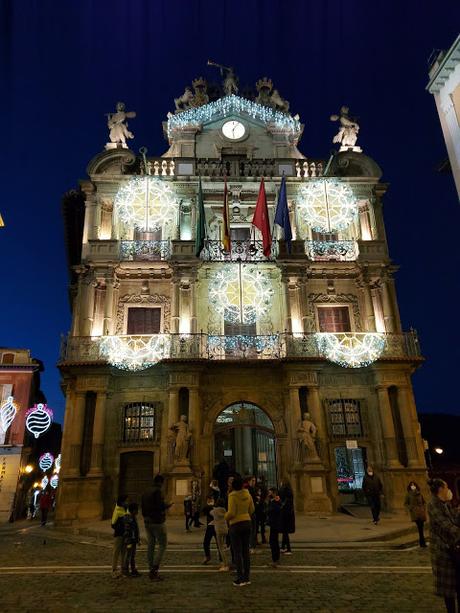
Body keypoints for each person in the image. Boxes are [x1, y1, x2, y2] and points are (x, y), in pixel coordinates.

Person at [427, 478, 460, 613]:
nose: (448, 490)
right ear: (440, 489)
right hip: (442, 551)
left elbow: (453, 520)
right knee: (448, 589)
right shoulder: (433, 504)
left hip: (451, 550)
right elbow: (446, 526)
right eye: (446, 487)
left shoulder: (444, 503)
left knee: (456, 585)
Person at [141, 474, 172, 582]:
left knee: (151, 545)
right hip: (157, 521)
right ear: (160, 482)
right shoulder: (157, 491)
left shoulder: (145, 491)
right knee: (163, 544)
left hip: (147, 521)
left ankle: (150, 568)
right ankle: (154, 570)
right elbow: (159, 506)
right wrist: (167, 505)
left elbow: (142, 506)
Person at [225, 476, 255, 586]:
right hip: (247, 523)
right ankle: (247, 577)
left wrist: (225, 516)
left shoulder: (232, 496)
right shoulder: (247, 494)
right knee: (245, 552)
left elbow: (231, 513)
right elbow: (252, 509)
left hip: (236, 525)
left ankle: (240, 578)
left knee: (237, 552)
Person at [405, 481, 427, 547]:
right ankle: (422, 542)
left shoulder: (420, 494)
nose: (413, 486)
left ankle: (422, 542)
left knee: (421, 528)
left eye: (414, 485)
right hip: (415, 513)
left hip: (421, 512)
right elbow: (406, 503)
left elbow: (424, 502)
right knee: (420, 528)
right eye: (411, 485)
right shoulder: (408, 494)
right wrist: (410, 508)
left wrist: (423, 508)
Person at [122, 502, 141, 577]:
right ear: (133, 510)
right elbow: (128, 531)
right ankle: (126, 570)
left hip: (133, 540)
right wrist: (129, 539)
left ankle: (133, 570)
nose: (137, 512)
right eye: (136, 510)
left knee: (132, 555)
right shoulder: (128, 518)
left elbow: (136, 530)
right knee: (129, 555)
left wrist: (137, 539)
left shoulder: (133, 518)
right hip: (129, 540)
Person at [210, 497, 229, 571]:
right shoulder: (224, 510)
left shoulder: (215, 511)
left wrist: (212, 506)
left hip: (219, 530)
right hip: (225, 529)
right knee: (223, 547)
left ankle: (225, 564)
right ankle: (224, 562)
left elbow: (210, 512)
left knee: (221, 548)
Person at [111, 494, 128, 578]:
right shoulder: (117, 510)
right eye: (125, 501)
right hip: (119, 535)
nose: (126, 502)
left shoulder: (125, 509)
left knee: (124, 553)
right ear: (122, 501)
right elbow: (113, 524)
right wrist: (121, 528)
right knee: (116, 552)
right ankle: (114, 570)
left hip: (125, 535)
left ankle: (122, 570)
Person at [266, 487, 283, 568]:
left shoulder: (275, 502)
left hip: (275, 524)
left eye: (270, 492)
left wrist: (268, 510)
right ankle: (275, 559)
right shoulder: (274, 501)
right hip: (274, 524)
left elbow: (272, 511)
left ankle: (275, 560)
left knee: (273, 542)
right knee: (273, 541)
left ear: (273, 493)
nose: (268, 494)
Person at [202, 496, 220, 564]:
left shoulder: (208, 507)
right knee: (218, 543)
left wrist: (209, 505)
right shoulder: (216, 506)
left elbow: (203, 510)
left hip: (211, 526)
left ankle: (207, 556)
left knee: (206, 542)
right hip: (216, 525)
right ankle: (220, 558)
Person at [279, 479, 295, 554]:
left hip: (284, 513)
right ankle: (283, 547)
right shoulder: (290, 490)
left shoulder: (283, 490)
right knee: (285, 531)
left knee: (285, 531)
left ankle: (288, 549)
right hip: (289, 512)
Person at [247, 476, 258, 552]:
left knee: (254, 529)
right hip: (250, 512)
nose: (254, 482)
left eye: (255, 481)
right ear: (249, 481)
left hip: (253, 511)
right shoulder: (248, 490)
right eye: (252, 481)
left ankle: (252, 545)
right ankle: (251, 546)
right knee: (252, 529)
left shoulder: (252, 489)